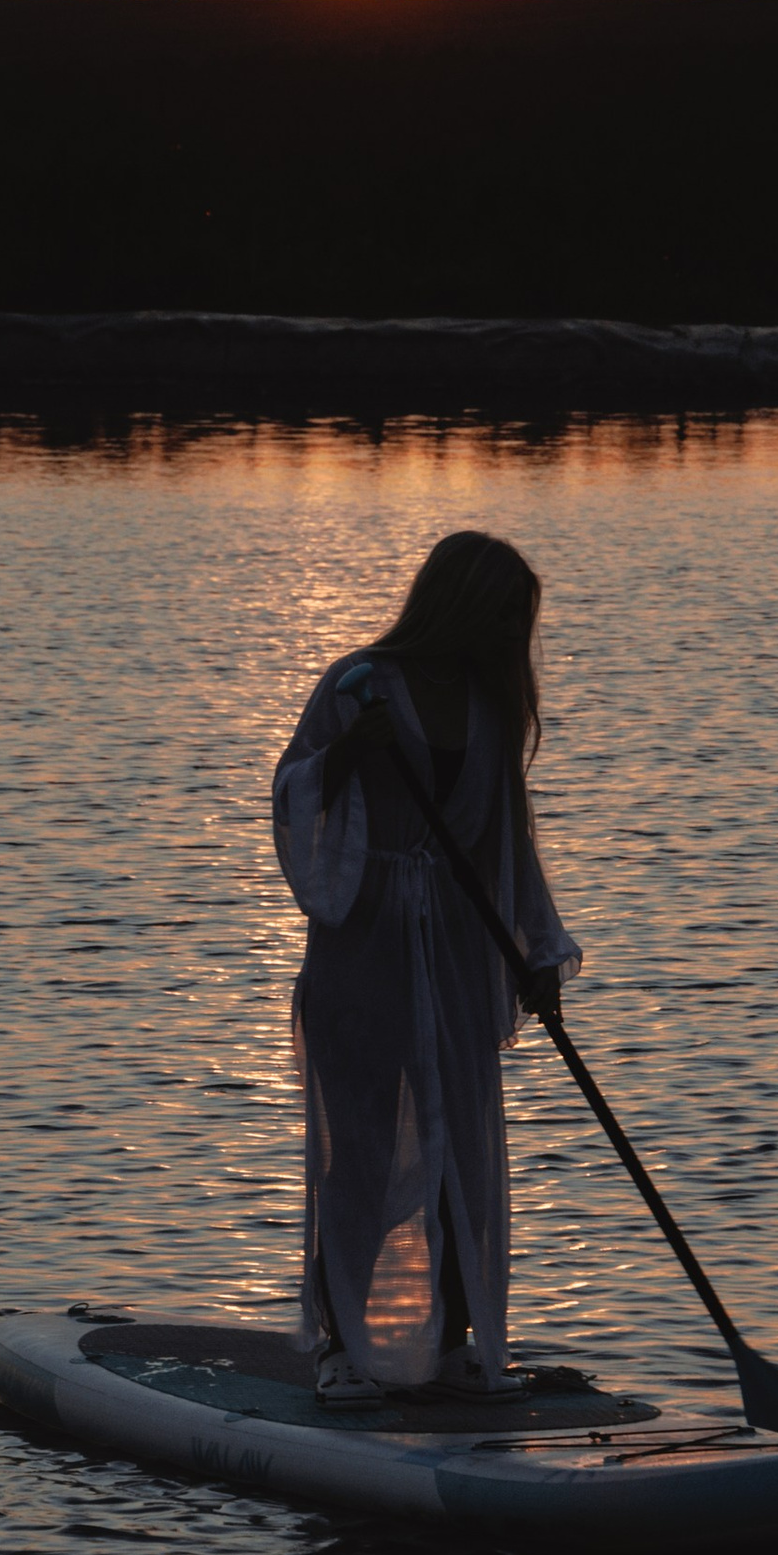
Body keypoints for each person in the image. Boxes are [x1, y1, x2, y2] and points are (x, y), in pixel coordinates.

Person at [272, 531, 580, 1399]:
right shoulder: (357, 685)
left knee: (459, 1153)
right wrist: (349, 756)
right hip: (363, 954)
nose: (512, 634)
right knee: (363, 1154)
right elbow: (292, 794)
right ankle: (341, 1347)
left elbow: (506, 846)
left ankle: (453, 1343)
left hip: (452, 957)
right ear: (459, 605)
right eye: (501, 614)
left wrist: (537, 953)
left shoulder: (488, 708)